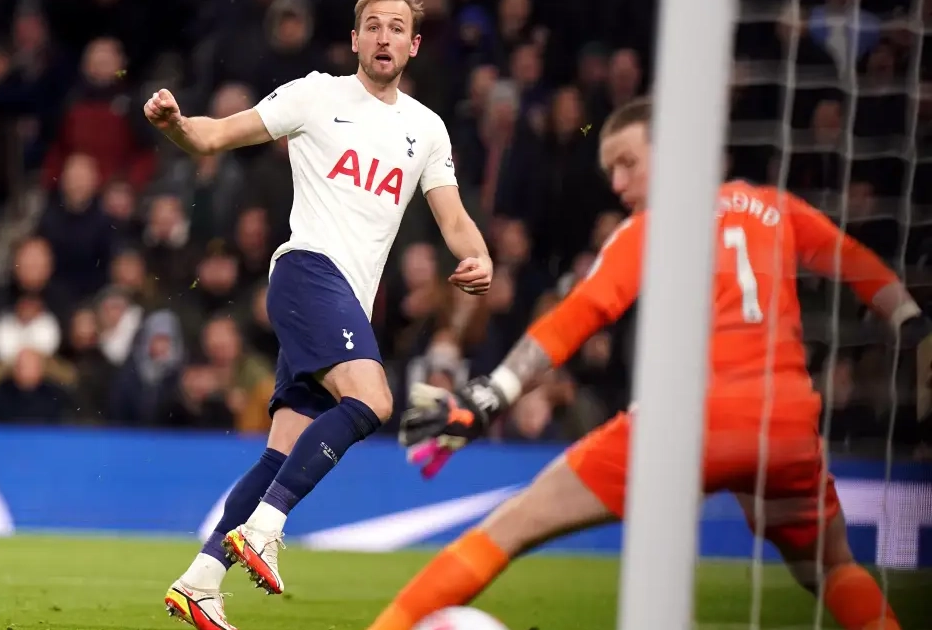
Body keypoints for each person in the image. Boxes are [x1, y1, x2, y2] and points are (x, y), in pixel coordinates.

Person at [368, 96, 914, 630]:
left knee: (512, 526)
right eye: (610, 170)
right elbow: (857, 263)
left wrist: (493, 393)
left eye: (628, 163)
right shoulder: (775, 208)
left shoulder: (655, 226)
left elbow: (577, 315)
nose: (618, 183)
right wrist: (915, 326)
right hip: (786, 427)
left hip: (690, 424)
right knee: (833, 567)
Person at [143, 0, 492, 628]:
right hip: (307, 272)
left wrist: (480, 256)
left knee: (280, 453)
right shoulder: (315, 95)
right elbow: (213, 136)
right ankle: (266, 527)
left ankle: (201, 580)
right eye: (373, 26)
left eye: (398, 28)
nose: (384, 36)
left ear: (414, 46)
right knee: (374, 400)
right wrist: (176, 124)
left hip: (344, 302)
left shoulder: (427, 129)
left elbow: (454, 218)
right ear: (354, 38)